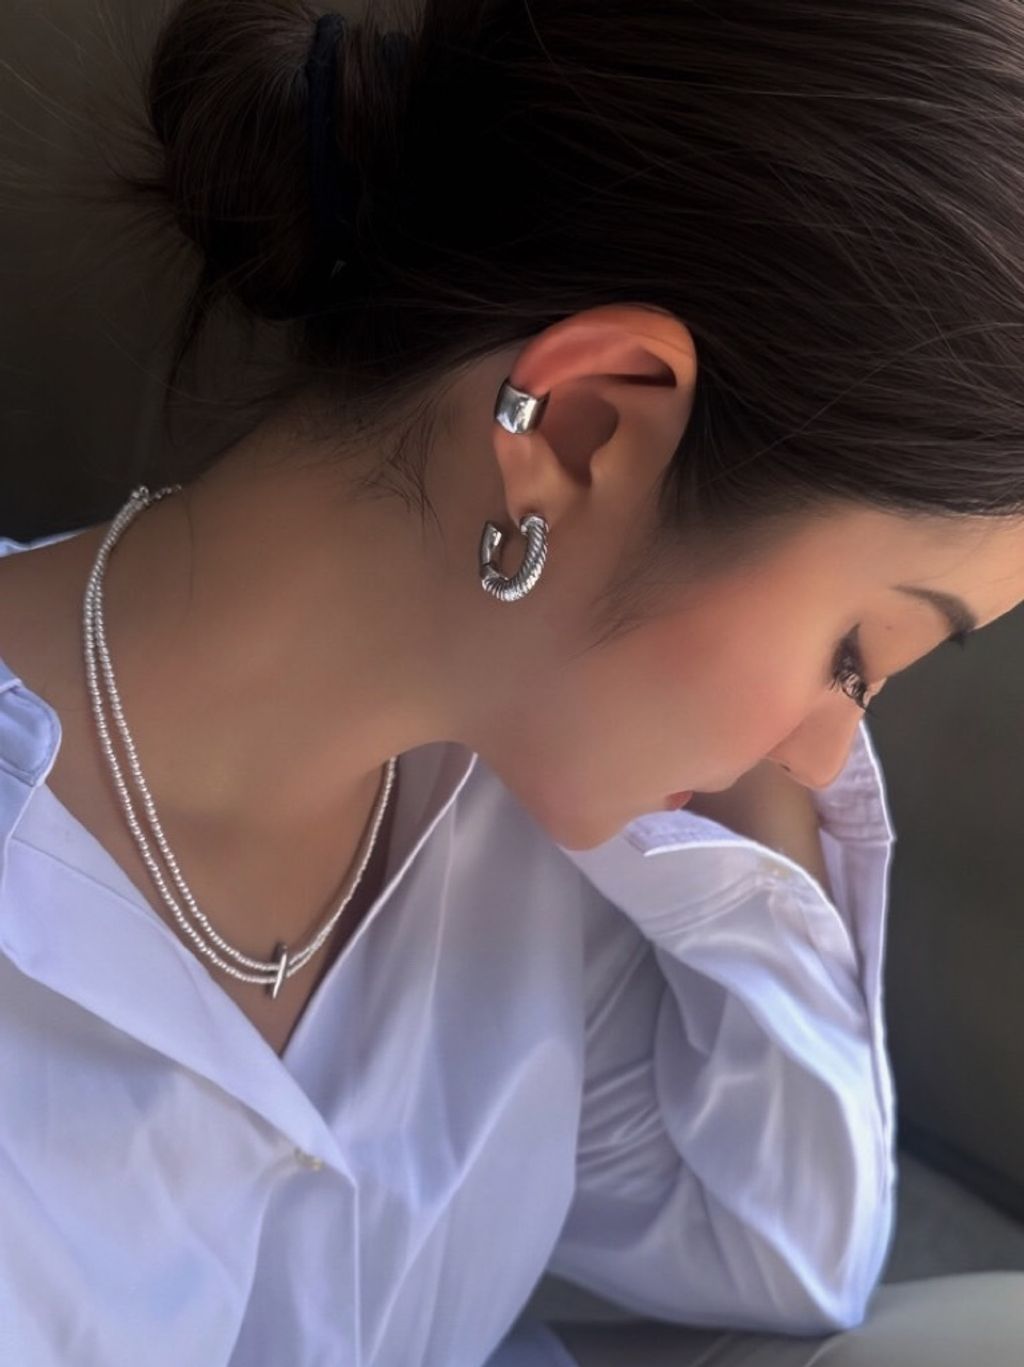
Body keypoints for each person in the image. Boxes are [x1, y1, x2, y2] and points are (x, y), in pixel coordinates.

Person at [1, 1, 1023, 1364]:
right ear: (588, 422)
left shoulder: (514, 836)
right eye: (856, 653)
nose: (823, 757)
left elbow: (788, 1249)